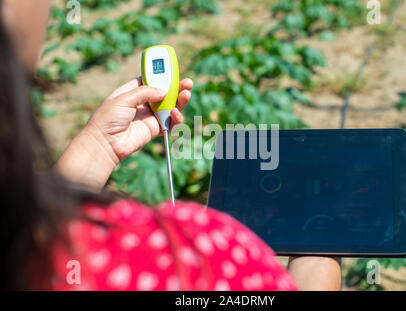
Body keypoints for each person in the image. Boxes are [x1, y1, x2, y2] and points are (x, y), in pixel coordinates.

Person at [0, 0, 341, 291]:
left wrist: (99, 147)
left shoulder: (33, 247)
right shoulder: (190, 257)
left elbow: (38, 226)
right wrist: (319, 264)